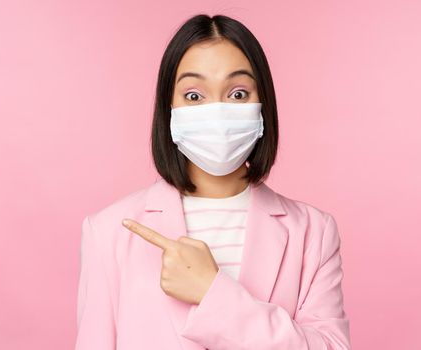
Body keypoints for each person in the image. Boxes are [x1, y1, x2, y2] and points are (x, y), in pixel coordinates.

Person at [75, 13, 352, 350]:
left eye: (237, 94)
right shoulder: (107, 233)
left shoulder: (313, 232)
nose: (218, 112)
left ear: (263, 106)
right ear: (169, 110)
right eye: (194, 96)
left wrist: (213, 293)